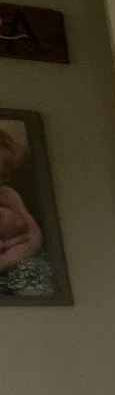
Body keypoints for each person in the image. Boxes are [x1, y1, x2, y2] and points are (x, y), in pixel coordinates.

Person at [0, 125, 55, 297]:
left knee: (33, 266)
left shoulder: (7, 194)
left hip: (13, 253)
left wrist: (8, 258)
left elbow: (33, 235)